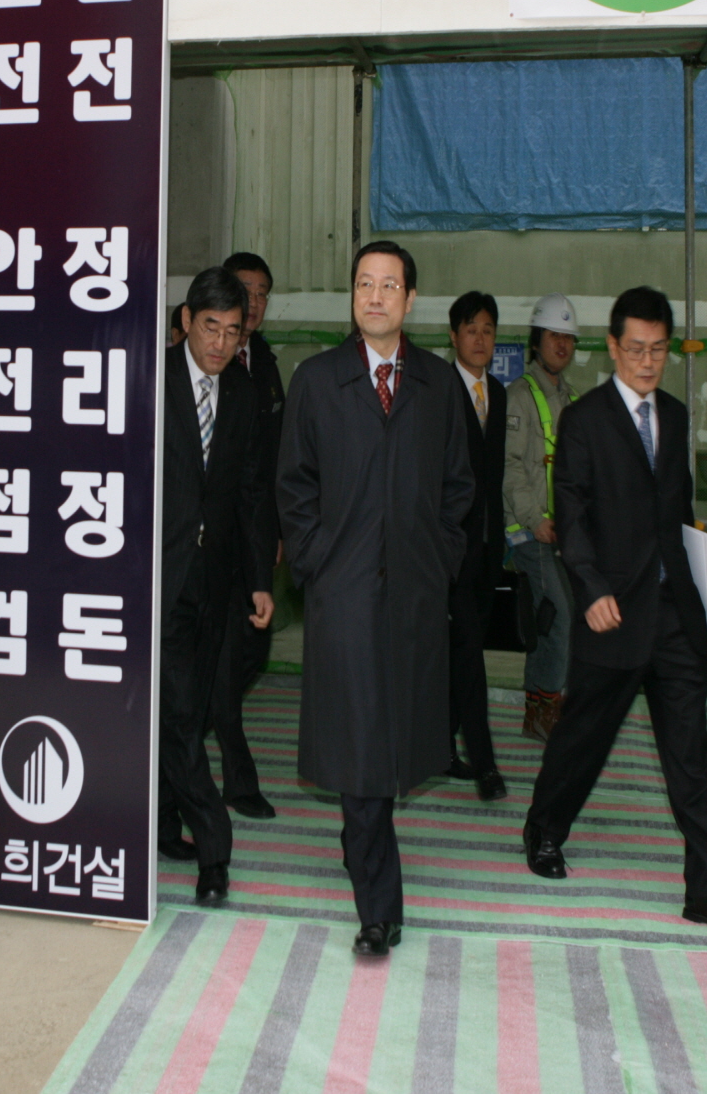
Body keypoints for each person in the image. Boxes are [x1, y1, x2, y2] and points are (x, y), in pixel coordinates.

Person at [523, 286, 707, 939]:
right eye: (636, 350)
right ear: (613, 348)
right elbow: (569, 510)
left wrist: (698, 601)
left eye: (658, 350)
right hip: (613, 613)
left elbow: (678, 516)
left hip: (675, 617)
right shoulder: (587, 420)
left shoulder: (676, 417)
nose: (648, 362)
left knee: (691, 756)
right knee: (583, 738)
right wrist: (591, 588)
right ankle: (544, 829)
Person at [276, 240, 473, 957]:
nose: (377, 296)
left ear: (411, 300)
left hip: (415, 596)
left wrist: (438, 560)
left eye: (390, 285)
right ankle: (378, 907)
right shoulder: (318, 380)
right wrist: (318, 564)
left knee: (395, 744)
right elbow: (292, 487)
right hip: (346, 596)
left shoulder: (438, 385)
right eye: (365, 284)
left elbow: (460, 488)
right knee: (360, 752)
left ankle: (366, 857)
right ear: (352, 296)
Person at [157, 267, 276, 905]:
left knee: (192, 710)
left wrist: (260, 581)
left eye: (233, 331)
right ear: (185, 320)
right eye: (210, 327)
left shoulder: (247, 392)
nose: (220, 344)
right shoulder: (151, 380)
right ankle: (214, 847)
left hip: (218, 581)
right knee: (177, 713)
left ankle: (161, 821)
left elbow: (254, 494)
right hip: (159, 575)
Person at [209, 250, 288, 819]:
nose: (254, 302)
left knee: (251, 649)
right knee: (217, 657)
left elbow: (274, 464)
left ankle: (213, 726)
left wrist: (276, 531)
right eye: (245, 291)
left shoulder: (266, 364)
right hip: (206, 543)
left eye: (262, 293)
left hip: (254, 535)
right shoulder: (198, 364)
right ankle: (235, 777)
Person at [502, 292, 578, 741]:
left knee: (552, 621)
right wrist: (536, 520)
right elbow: (511, 469)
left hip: (565, 535)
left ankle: (540, 710)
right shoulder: (519, 397)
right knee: (559, 617)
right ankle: (545, 709)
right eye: (553, 335)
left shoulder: (573, 398)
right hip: (530, 534)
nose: (562, 344)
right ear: (536, 340)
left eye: (568, 337)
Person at [445, 289, 509, 800]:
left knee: (465, 649)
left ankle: (442, 748)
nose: (481, 339)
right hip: (450, 551)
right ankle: (486, 765)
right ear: (453, 337)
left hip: (490, 545)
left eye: (488, 330)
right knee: (469, 655)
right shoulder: (439, 392)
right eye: (471, 330)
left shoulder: (501, 393)